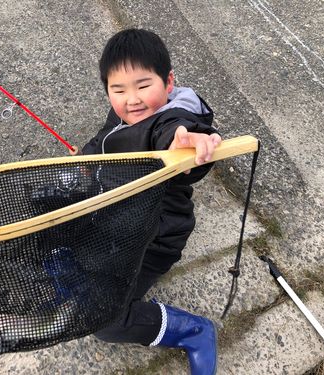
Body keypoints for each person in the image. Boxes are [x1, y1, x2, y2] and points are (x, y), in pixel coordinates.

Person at [82, 29, 221, 375]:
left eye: (144, 86)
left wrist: (186, 149)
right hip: (112, 223)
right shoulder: (124, 115)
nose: (132, 100)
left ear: (169, 82)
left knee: (104, 320)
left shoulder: (170, 121)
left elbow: (177, 138)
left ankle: (194, 331)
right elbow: (103, 140)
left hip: (152, 242)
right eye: (118, 90)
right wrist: (85, 160)